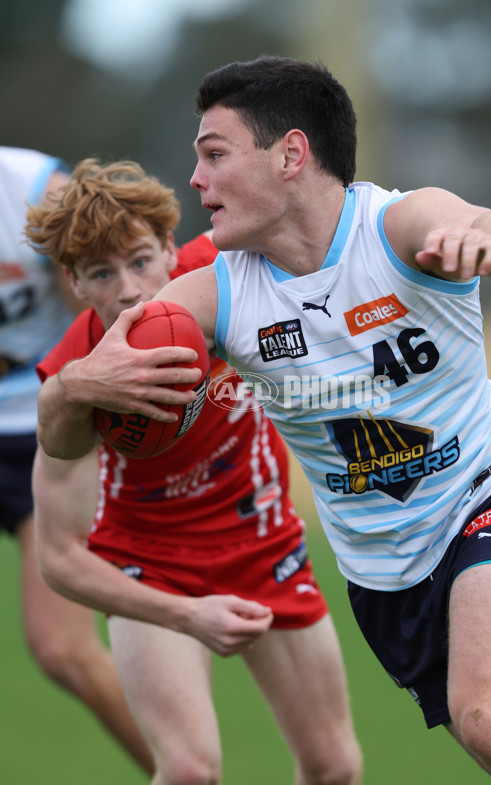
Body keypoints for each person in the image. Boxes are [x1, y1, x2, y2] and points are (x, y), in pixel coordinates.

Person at [33, 57, 491, 784]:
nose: (196, 181)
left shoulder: (398, 226)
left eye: (213, 155)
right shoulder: (205, 296)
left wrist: (490, 242)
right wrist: (77, 385)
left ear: (291, 155)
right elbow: (66, 437)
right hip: (385, 576)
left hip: (489, 500)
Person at [27, 158, 363, 785]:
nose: (129, 289)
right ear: (74, 282)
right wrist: (187, 614)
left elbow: (324, 223)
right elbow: (59, 559)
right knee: (187, 770)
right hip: (151, 565)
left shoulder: (222, 273)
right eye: (102, 273)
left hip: (265, 545)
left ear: (169, 246)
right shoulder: (77, 369)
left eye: (139, 261)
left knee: (335, 766)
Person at [0, 146, 153, 773]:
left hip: (37, 426)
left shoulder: (34, 188)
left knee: (62, 650)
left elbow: (101, 325)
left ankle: (181, 771)